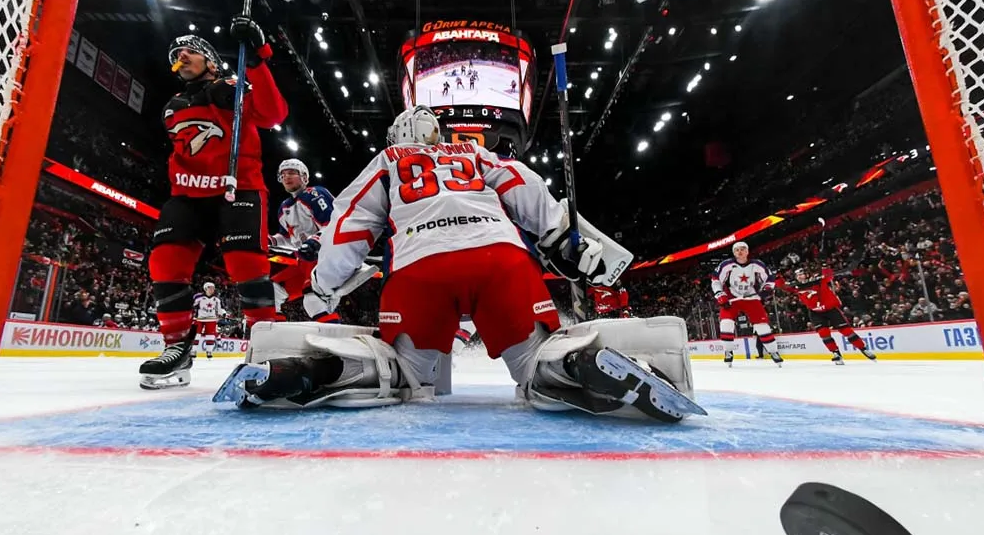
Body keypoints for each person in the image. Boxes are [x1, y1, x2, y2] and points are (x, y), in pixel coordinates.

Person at [214, 105, 702, 422]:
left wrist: (323, 285)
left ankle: (305, 372)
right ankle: (576, 363)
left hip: (420, 270)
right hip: (501, 260)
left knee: (400, 372)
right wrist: (561, 234)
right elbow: (525, 185)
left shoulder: (389, 160)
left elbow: (349, 224)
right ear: (438, 132)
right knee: (534, 363)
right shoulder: (473, 153)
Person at [138, 17, 289, 390]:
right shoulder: (171, 106)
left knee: (246, 265)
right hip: (188, 194)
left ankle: (264, 347)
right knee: (164, 262)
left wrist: (257, 59)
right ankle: (176, 349)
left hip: (238, 188)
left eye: (189, 51)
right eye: (176, 54)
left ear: (210, 59)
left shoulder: (234, 85)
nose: (181, 56)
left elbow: (274, 115)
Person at [270, 158, 338, 322]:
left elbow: (334, 223)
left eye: (292, 172)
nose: (287, 177)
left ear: (305, 177)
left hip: (325, 257)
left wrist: (315, 240)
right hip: (304, 261)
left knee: (313, 300)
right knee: (269, 292)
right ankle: (275, 337)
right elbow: (287, 237)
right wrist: (271, 241)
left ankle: (332, 340)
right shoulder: (284, 207)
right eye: (283, 174)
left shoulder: (315, 194)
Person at [777, 265, 877, 365]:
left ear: (807, 274)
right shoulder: (796, 287)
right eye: (797, 275)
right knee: (823, 333)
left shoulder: (819, 280)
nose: (799, 277)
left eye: (801, 274)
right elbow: (782, 286)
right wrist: (777, 277)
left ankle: (863, 349)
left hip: (830, 309)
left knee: (846, 331)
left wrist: (825, 266)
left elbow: (829, 276)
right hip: (815, 312)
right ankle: (835, 353)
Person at [712, 241, 782, 366]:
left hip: (752, 297)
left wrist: (766, 289)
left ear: (747, 251)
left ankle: (773, 351)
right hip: (731, 298)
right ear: (734, 253)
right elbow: (716, 280)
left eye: (743, 249)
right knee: (726, 323)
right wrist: (720, 295)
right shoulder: (726, 265)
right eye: (737, 249)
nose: (740, 251)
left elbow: (769, 279)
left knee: (762, 326)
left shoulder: (757, 265)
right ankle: (728, 351)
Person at [193, 281, 226, 359]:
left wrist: (223, 314)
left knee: (210, 336)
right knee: (195, 335)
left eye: (213, 288)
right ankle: (193, 351)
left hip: (211, 319)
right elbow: (191, 306)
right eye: (209, 288)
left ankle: (209, 351)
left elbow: (219, 309)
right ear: (205, 289)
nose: (211, 290)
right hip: (199, 319)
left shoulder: (216, 300)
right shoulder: (198, 297)